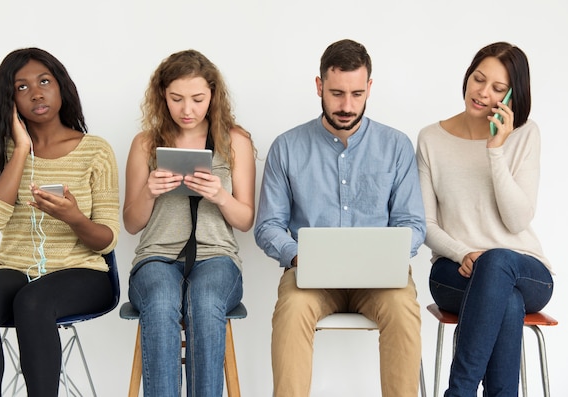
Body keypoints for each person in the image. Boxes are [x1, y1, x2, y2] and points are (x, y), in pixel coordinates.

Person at [254, 39, 426, 397]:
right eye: (336, 93)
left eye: (357, 94)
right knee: (292, 310)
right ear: (319, 86)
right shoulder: (287, 147)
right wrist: (300, 255)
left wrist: (388, 254)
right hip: (311, 278)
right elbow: (268, 225)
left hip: (381, 281)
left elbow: (413, 224)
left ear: (370, 88)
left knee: (402, 309)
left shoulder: (396, 146)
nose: (347, 106)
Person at [0, 48, 120, 396]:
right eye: (22, 87)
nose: (36, 92)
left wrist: (73, 217)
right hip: (15, 269)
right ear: (10, 99)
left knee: (34, 301)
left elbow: (106, 240)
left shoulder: (95, 151)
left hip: (83, 273)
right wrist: (20, 150)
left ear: (61, 86)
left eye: (44, 81)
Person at [416, 42, 553, 396]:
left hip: (524, 270)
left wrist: (496, 151)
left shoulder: (525, 134)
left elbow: (516, 220)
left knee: (498, 265)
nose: (482, 92)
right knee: (504, 301)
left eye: (498, 89)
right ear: (468, 76)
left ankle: (458, 392)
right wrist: (462, 252)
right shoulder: (431, 138)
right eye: (478, 79)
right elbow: (425, 224)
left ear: (512, 96)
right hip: (455, 271)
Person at [123, 49, 256, 397]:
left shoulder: (235, 141)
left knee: (205, 298)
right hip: (156, 258)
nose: (187, 110)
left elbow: (246, 220)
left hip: (217, 258)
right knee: (163, 298)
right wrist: (150, 192)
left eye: (197, 99)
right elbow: (131, 223)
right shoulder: (145, 145)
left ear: (212, 95)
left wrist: (220, 196)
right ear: (162, 96)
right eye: (176, 99)